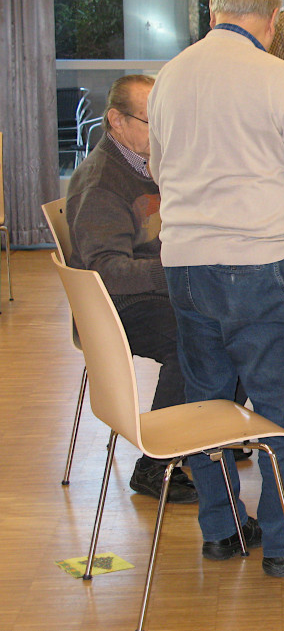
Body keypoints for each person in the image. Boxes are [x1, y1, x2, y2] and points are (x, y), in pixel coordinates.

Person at [148, 0, 284, 575]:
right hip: (258, 269)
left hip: (185, 269)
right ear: (271, 22)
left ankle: (220, 529)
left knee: (207, 403)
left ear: (214, 12)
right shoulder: (277, 78)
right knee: (283, 411)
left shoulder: (171, 75)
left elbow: (160, 169)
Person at [66, 74, 198, 504]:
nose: (159, 131)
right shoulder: (104, 182)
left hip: (148, 288)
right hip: (114, 305)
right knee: (193, 337)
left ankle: (203, 437)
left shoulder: (146, 164)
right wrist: (173, 271)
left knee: (228, 312)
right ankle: (154, 466)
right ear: (116, 121)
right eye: (149, 120)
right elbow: (107, 271)